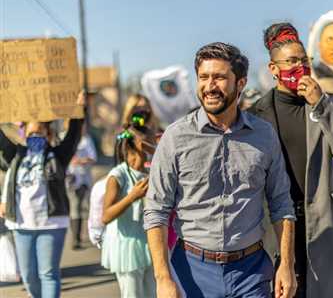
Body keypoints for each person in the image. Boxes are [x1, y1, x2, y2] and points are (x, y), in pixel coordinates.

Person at [144, 42, 297, 298]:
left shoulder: (264, 135)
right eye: (203, 77)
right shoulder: (175, 137)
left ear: (240, 83)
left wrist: (287, 265)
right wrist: (163, 278)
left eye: (219, 77)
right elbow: (156, 211)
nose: (209, 86)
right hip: (191, 271)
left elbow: (282, 204)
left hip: (252, 272)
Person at [248, 22, 333, 298]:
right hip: (276, 227)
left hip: (320, 222)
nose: (300, 66)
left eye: (304, 60)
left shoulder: (321, 106)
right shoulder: (256, 115)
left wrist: (321, 103)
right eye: (291, 61)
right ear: (273, 69)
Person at [0, 94, 84, 298]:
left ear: (47, 134)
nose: (35, 136)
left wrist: (80, 111)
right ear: (24, 134)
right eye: (31, 133)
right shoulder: (17, 155)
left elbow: (73, 135)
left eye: (40, 132)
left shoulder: (59, 155)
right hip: (21, 224)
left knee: (48, 273)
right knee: (29, 276)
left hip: (52, 223)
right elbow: (1, 141)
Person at [101, 123, 156, 298]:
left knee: (153, 294)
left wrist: (155, 151)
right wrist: (132, 196)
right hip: (126, 247)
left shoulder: (149, 170)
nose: (152, 145)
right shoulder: (118, 175)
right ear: (138, 145)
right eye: (148, 142)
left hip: (148, 243)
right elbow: (106, 216)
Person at [66, 124, 97, 249]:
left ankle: (77, 238)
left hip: (83, 179)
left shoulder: (86, 140)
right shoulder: (64, 138)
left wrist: (81, 160)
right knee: (74, 206)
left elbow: (93, 158)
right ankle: (75, 238)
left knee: (79, 206)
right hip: (70, 178)